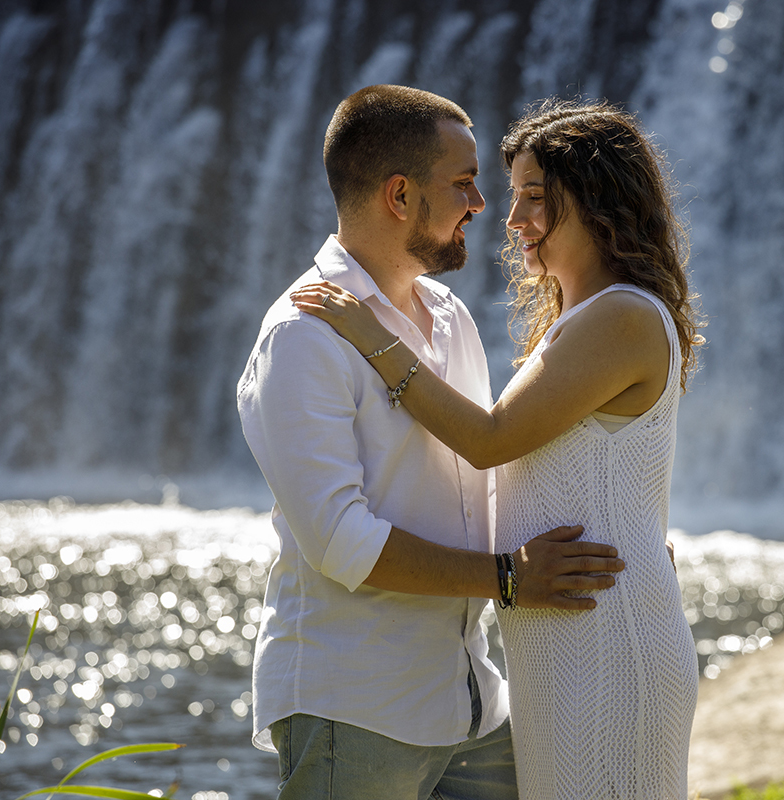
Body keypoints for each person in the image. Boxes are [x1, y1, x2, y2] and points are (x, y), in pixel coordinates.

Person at [292, 98, 704, 800]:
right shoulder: (581, 321)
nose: (512, 222)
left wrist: (372, 337)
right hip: (563, 639)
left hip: (601, 637)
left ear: (599, 201)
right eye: (515, 198)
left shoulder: (623, 317)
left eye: (536, 200)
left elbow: (488, 442)